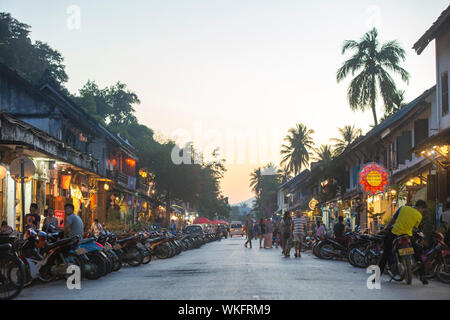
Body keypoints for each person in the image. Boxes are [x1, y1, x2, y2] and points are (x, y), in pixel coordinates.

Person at [378, 200, 429, 285]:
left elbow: (393, 220)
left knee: (386, 253)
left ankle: (377, 276)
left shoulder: (403, 208)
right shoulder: (419, 216)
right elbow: (414, 228)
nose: (422, 211)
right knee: (417, 254)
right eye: (423, 210)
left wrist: (386, 228)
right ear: (420, 207)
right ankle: (423, 276)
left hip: (395, 233)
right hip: (407, 235)